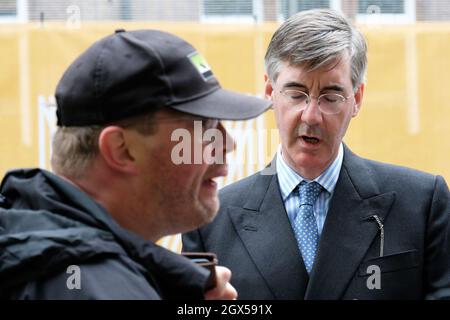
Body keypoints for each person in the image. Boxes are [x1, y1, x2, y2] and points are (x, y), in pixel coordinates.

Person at [183, 9, 450, 300]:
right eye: (296, 94)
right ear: (270, 92)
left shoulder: (422, 204)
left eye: (330, 97)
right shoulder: (209, 222)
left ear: (356, 99)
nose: (311, 116)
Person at [0, 29, 271, 299]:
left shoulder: (37, 246)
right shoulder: (90, 283)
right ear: (121, 149)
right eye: (204, 127)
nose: (227, 143)